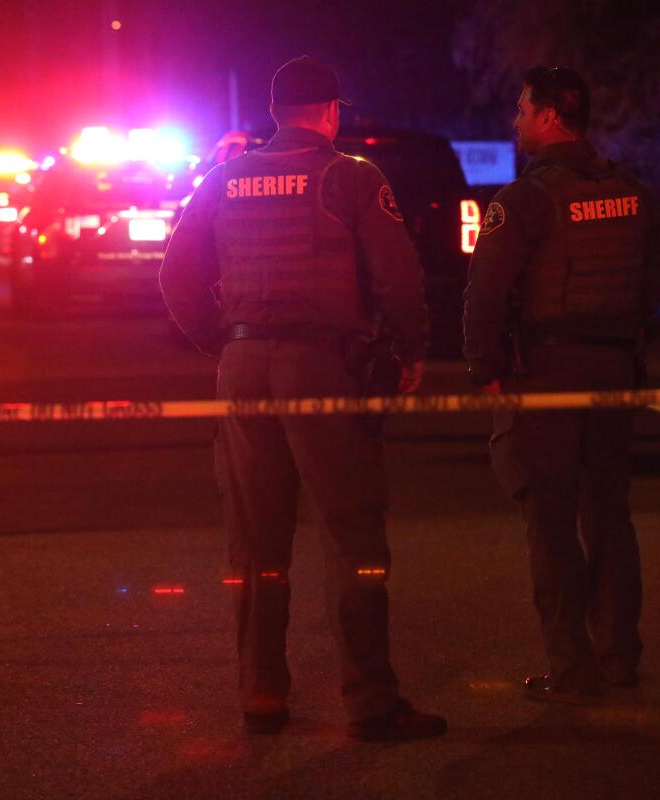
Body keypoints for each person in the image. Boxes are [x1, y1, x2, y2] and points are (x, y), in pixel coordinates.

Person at [159, 55, 446, 740]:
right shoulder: (349, 176)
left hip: (243, 365)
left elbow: (175, 276)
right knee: (352, 536)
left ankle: (262, 695)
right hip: (323, 366)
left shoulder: (224, 179)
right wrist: (412, 350)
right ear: (331, 111)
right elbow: (398, 279)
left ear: (274, 112)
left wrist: (225, 343)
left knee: (256, 539)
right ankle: (371, 702)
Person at [463, 66, 660, 704]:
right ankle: (619, 659)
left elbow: (484, 295)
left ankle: (572, 669)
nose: (515, 121)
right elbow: (652, 285)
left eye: (522, 109)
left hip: (545, 374)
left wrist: (486, 371)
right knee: (609, 513)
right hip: (612, 371)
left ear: (550, 115)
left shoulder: (523, 200)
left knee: (549, 521)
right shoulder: (633, 191)